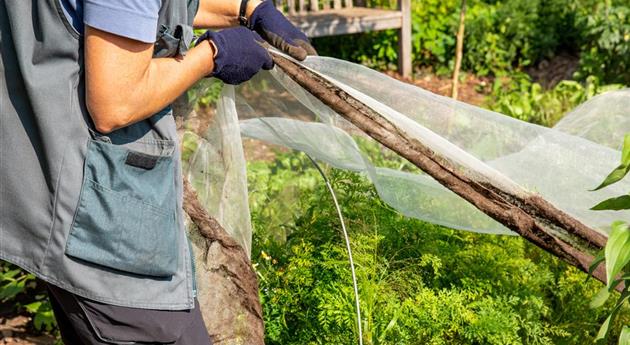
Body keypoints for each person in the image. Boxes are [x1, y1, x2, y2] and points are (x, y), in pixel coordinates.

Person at [0, 0, 315, 343]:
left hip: (41, 190)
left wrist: (245, 10)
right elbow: (117, 103)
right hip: (98, 224)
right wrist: (212, 55)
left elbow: (126, 12)